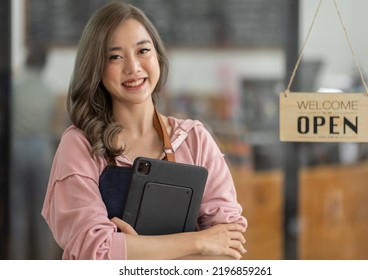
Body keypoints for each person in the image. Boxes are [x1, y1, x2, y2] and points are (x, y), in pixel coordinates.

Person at [41, 1, 247, 260]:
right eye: (115, 56)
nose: (133, 67)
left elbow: (229, 246)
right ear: (96, 69)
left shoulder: (195, 140)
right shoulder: (80, 145)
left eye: (143, 51)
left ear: (158, 57)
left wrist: (133, 250)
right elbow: (95, 252)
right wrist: (199, 241)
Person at [10, 46, 61, 259]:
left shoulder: (14, 88)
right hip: (41, 149)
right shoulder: (49, 91)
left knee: (17, 211)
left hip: (15, 147)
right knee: (44, 211)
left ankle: (15, 263)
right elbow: (54, 126)